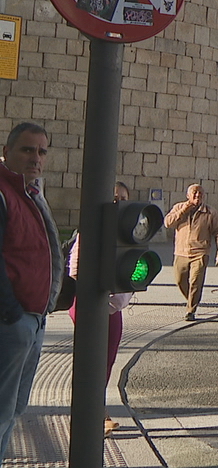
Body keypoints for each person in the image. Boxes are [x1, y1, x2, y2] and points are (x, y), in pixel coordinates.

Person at [0, 123, 61, 461]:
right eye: (27, 150)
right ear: (6, 152)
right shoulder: (3, 192)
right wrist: (10, 311)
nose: (35, 157)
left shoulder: (32, 194)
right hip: (12, 322)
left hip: (33, 322)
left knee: (13, 410)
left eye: (41, 151)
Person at [67, 182, 133, 436]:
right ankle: (93, 416)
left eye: (123, 198)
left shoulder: (127, 233)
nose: (119, 202)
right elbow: (75, 268)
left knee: (106, 364)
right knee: (92, 364)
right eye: (114, 197)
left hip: (114, 312)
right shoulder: (91, 230)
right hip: (90, 309)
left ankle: (95, 411)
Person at [164, 184, 218, 321]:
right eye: (194, 193)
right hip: (181, 252)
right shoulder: (178, 208)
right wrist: (183, 211)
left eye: (200, 194)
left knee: (196, 282)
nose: (197, 196)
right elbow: (168, 223)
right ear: (188, 195)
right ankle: (192, 299)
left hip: (200, 252)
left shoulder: (210, 212)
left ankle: (191, 310)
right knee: (180, 280)